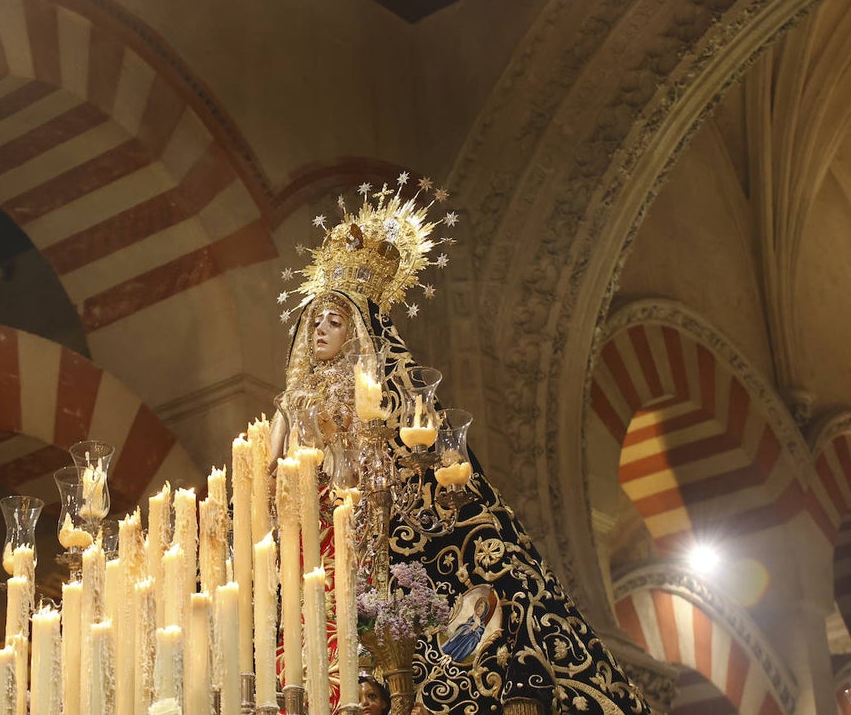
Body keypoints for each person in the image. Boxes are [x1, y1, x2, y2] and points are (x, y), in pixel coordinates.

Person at [273, 176, 649, 715]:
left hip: (371, 535)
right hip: (309, 536)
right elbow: (267, 475)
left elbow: (418, 466)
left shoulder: (389, 400)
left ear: (358, 331)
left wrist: (395, 453)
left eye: (334, 321)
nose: (320, 331)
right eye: (313, 322)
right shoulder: (290, 404)